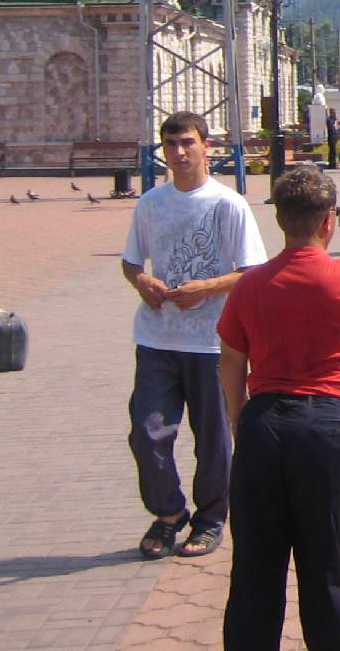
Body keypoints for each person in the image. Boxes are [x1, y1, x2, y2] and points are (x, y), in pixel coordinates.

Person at [218, 168, 340, 650]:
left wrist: (238, 419)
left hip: (264, 427)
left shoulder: (251, 285)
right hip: (330, 431)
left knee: (254, 572)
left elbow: (231, 359)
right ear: (330, 221)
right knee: (324, 568)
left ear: (280, 220)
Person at [121, 111, 267, 560]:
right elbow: (131, 261)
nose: (180, 153)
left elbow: (252, 272)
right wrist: (142, 282)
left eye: (188, 143)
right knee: (147, 432)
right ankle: (168, 514)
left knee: (214, 438)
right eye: (171, 145)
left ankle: (209, 519)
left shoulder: (228, 205)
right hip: (158, 339)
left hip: (212, 343)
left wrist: (205, 287)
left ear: (207, 146)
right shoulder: (151, 204)